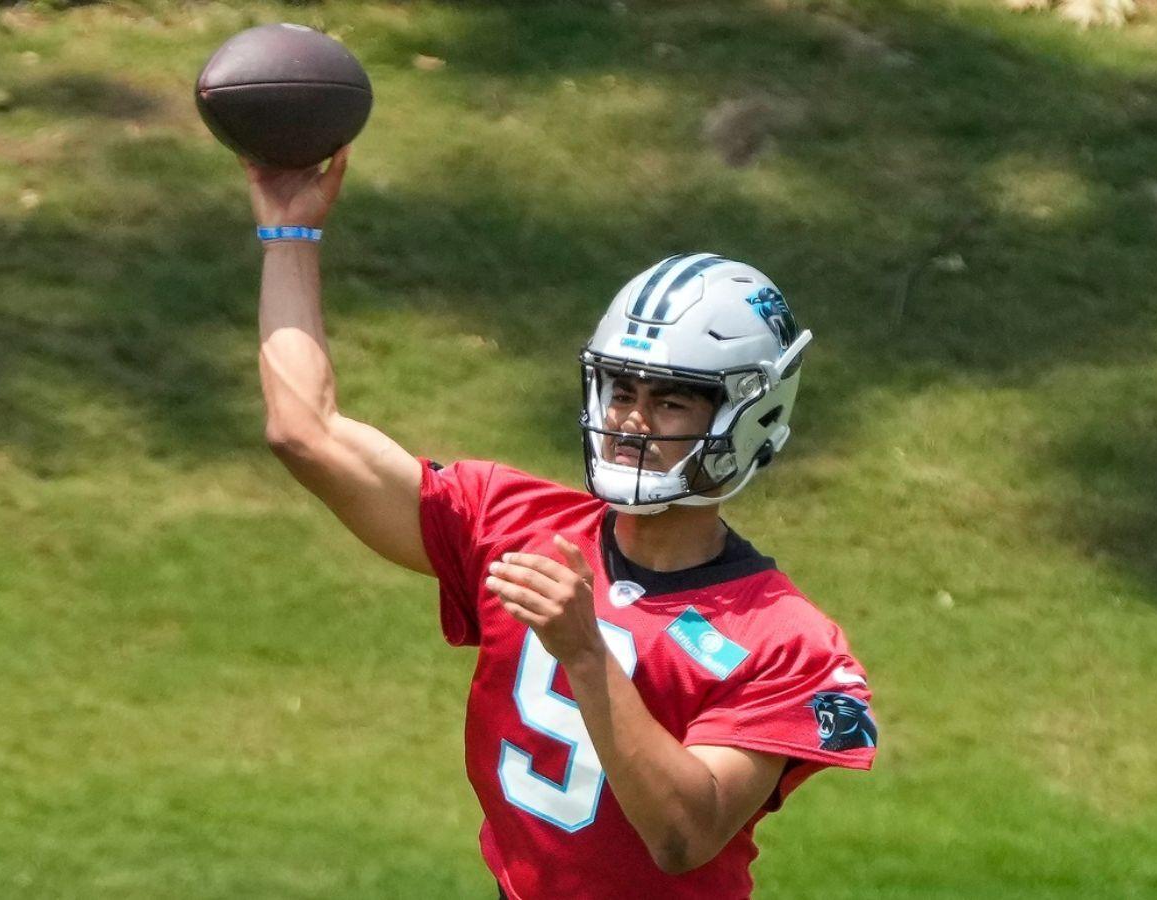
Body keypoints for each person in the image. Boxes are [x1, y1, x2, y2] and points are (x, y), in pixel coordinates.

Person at [244, 147, 877, 899]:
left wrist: (586, 651)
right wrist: (289, 235)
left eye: (670, 400)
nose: (631, 421)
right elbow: (304, 432)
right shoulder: (510, 521)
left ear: (750, 413)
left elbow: (684, 835)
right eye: (619, 390)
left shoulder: (785, 639)